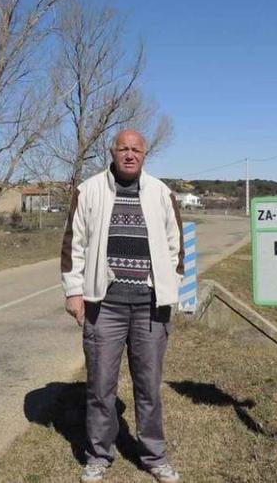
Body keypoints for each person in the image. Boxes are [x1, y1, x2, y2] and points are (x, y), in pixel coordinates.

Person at [61, 129, 184, 483]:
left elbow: (177, 247)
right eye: (123, 149)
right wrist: (74, 291)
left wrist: (168, 287)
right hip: (105, 305)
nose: (130, 155)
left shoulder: (161, 193)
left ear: (145, 155)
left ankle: (154, 456)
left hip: (150, 307)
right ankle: (99, 455)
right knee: (101, 386)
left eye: (136, 150)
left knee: (148, 386)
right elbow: (74, 243)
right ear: (112, 152)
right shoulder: (90, 190)